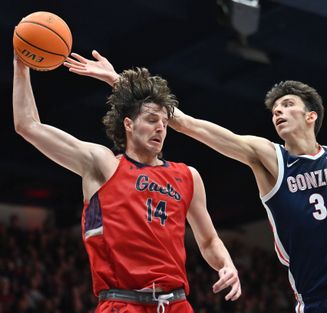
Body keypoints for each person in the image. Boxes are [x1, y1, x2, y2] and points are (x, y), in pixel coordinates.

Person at [63, 50, 327, 313]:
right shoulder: (268, 157)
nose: (278, 112)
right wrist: (117, 82)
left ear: (311, 115)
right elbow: (186, 123)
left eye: (287, 105)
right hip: (317, 297)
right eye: (274, 109)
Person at [13, 52, 241, 313]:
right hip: (121, 303)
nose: (161, 129)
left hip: (176, 304)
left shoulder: (188, 176)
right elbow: (27, 125)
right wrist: (21, 65)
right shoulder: (103, 164)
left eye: (165, 124)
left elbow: (209, 241)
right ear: (129, 125)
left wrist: (226, 263)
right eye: (152, 120)